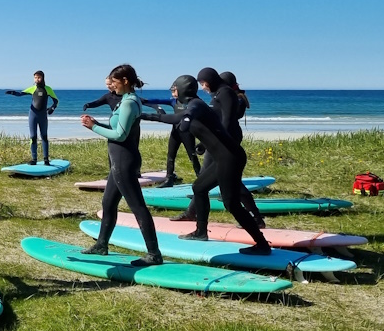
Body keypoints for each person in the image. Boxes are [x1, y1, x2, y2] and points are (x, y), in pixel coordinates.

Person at [142, 75, 271, 254]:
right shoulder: (194, 105)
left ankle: (262, 245)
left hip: (230, 158)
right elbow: (175, 118)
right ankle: (200, 231)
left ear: (180, 90)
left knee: (231, 204)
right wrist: (147, 116)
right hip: (224, 158)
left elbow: (188, 114)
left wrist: (186, 120)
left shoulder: (196, 105)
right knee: (199, 187)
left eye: (175, 89)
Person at [79, 65, 163, 265]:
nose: (112, 87)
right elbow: (118, 128)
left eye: (114, 83)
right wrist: (96, 122)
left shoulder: (129, 103)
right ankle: (101, 245)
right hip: (119, 162)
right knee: (108, 203)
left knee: (138, 207)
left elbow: (120, 135)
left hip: (124, 162)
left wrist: (94, 128)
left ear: (125, 81)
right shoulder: (126, 100)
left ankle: (154, 254)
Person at [198, 67, 265, 228]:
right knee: (204, 179)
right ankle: (194, 211)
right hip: (219, 140)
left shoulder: (229, 97)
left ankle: (255, 218)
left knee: (228, 180)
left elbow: (227, 121)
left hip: (225, 141)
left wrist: (217, 139)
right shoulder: (223, 96)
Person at [5, 70, 59, 165]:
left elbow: (56, 101)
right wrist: (12, 92)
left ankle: (46, 159)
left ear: (42, 78)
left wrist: (52, 108)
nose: (37, 79)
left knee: (44, 136)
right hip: (33, 115)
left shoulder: (48, 89)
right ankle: (34, 159)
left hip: (42, 116)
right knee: (33, 137)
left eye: (39, 77)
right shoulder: (32, 89)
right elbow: (20, 94)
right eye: (35, 77)